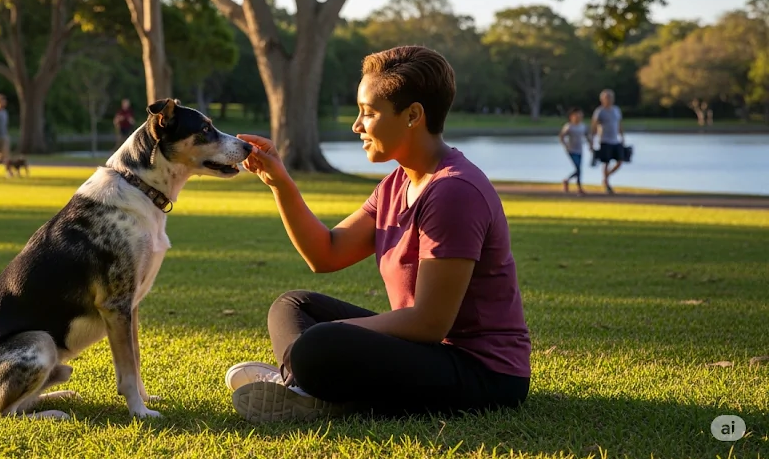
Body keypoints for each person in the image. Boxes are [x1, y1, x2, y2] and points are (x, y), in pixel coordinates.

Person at [226, 46, 531, 423]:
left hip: (481, 372)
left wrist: (335, 333)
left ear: (413, 115)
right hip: (425, 351)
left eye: (368, 113)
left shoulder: (455, 191)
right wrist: (281, 184)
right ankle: (307, 385)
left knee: (319, 343)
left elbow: (430, 323)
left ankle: (307, 384)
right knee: (294, 306)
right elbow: (326, 254)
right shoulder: (397, 183)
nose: (357, 125)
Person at [590, 89, 625, 194]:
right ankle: (607, 184)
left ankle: (606, 177)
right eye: (606, 98)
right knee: (606, 162)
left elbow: (619, 124)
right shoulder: (600, 111)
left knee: (620, 161)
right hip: (604, 140)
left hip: (615, 140)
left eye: (610, 97)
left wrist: (622, 137)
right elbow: (594, 126)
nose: (609, 99)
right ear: (602, 99)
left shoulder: (616, 110)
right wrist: (592, 140)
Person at [559, 107, 590, 195]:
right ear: (571, 116)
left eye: (580, 114)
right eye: (576, 115)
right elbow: (562, 136)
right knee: (578, 169)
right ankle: (578, 187)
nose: (579, 116)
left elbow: (587, 136)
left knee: (579, 169)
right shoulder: (569, 126)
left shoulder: (583, 126)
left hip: (580, 150)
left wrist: (590, 144)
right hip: (571, 150)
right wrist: (565, 145)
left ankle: (568, 181)